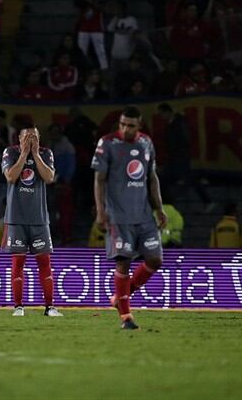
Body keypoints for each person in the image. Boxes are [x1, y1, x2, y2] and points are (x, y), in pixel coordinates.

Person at [91, 106, 167, 330]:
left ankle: (120, 297)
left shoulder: (146, 143)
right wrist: (101, 211)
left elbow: (151, 177)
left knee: (155, 260)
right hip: (118, 216)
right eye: (122, 124)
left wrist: (159, 208)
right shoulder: (107, 143)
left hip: (144, 215)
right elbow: (99, 180)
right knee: (123, 262)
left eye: (131, 125)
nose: (125, 129)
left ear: (139, 126)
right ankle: (126, 317)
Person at [1, 124, 62, 317]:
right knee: (18, 262)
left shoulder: (45, 153)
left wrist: (34, 154)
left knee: (44, 262)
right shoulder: (10, 152)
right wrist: (24, 154)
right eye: (27, 137)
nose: (31, 140)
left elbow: (49, 177)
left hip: (39, 218)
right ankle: (18, 306)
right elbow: (11, 177)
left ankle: (50, 307)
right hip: (16, 218)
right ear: (19, 139)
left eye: (34, 137)